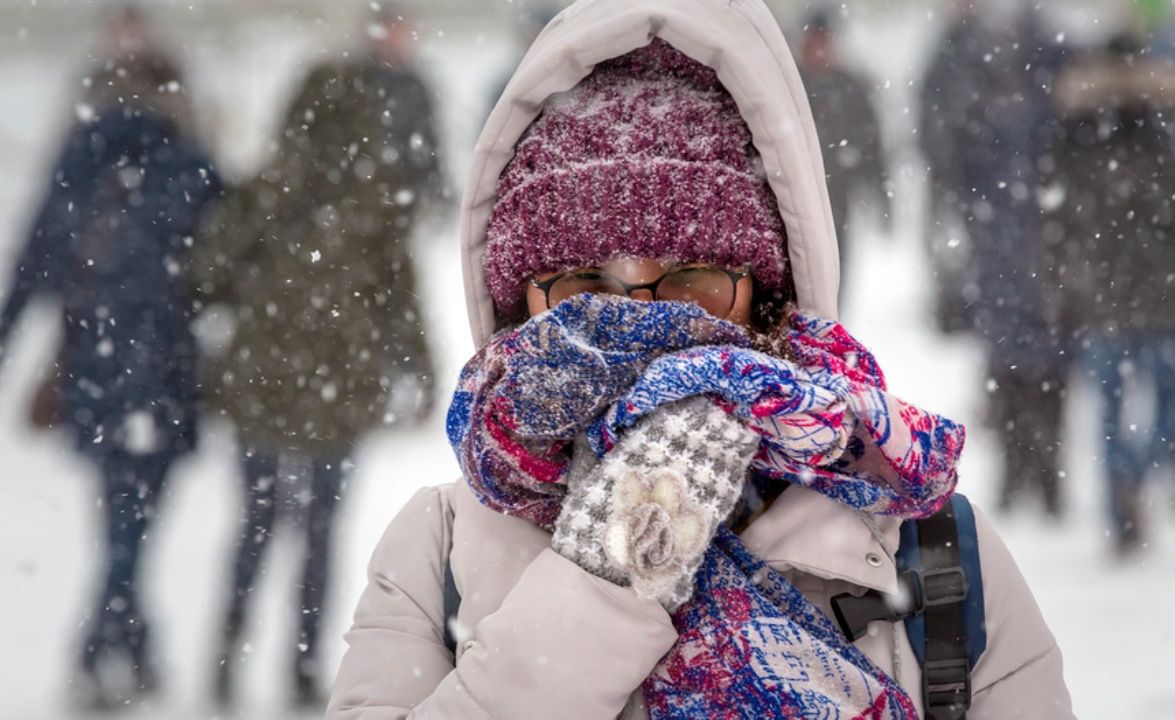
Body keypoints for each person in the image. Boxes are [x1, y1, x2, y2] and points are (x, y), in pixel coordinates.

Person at [327, 2, 1074, 718]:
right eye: (583, 288)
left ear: (767, 298)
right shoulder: (440, 551)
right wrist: (608, 579)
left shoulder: (935, 552)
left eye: (690, 282)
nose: (644, 326)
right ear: (516, 308)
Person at [191, 5, 443, 708]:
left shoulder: (270, 184)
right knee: (322, 534)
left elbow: (208, 270)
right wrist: (419, 371)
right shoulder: (375, 198)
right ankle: (301, 667)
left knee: (256, 525)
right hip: (341, 378)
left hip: (263, 381)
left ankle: (225, 654)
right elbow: (404, 297)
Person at [0, 7, 219, 707]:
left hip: (93, 368)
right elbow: (231, 264)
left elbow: (35, 261)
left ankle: (129, 646)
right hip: (163, 371)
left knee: (120, 518)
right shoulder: (189, 163)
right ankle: (100, 651)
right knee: (138, 520)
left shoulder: (80, 156)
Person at [921, 3, 1071, 517]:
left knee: (1043, 361)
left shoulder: (1041, 56)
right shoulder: (969, 60)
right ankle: (1023, 470)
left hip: (1039, 246)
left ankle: (1045, 473)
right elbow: (946, 146)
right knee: (1011, 359)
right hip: (1007, 246)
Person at [1046, 33, 1175, 555]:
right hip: (1161, 295)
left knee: (1108, 408)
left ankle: (1119, 504)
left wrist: (1061, 285)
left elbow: (1058, 218)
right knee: (1165, 405)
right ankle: (1137, 475)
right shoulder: (1162, 127)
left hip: (1099, 296)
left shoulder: (1074, 128)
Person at [797, 9, 890, 295]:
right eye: (815, 41)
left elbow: (872, 145)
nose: (820, 49)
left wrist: (882, 198)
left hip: (837, 198)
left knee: (836, 273)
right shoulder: (792, 82)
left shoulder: (850, 87)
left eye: (825, 41)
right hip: (797, 200)